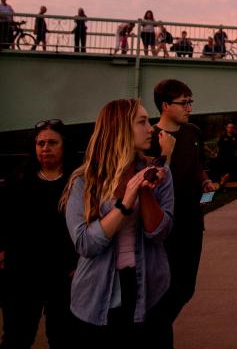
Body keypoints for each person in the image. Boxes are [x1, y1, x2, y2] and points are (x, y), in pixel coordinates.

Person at [61, 99, 173, 341]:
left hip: (149, 290)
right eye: (142, 122)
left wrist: (144, 189)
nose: (151, 128)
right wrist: (124, 202)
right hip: (98, 292)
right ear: (120, 128)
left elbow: (160, 233)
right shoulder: (84, 181)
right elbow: (85, 244)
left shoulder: (158, 174)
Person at [0, 119, 77, 348]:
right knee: (16, 336)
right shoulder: (20, 177)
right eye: (40, 143)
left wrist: (78, 261)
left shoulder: (77, 180)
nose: (45, 148)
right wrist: (0, 249)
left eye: (52, 143)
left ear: (64, 145)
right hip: (22, 272)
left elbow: (85, 223)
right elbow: (2, 218)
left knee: (62, 335)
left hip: (62, 273)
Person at [150, 79, 217, 347]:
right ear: (165, 106)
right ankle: (154, 331)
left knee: (186, 288)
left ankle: (155, 327)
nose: (189, 107)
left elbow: (197, 165)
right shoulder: (151, 138)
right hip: (164, 227)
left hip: (193, 222)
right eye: (183, 102)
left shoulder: (192, 132)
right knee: (164, 289)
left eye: (191, 101)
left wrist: (205, 184)